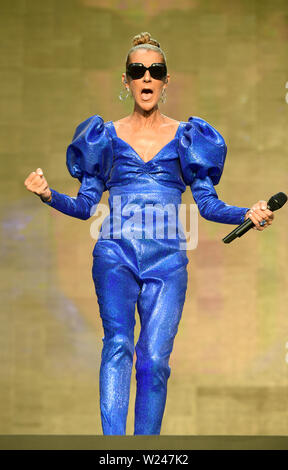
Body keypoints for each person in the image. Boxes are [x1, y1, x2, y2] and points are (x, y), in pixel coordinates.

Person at [24, 32, 274, 435]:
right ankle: (113, 449)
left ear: (165, 81)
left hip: (167, 260)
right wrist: (49, 195)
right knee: (118, 345)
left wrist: (248, 213)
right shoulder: (102, 136)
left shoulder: (189, 137)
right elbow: (86, 205)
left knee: (155, 360)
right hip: (115, 255)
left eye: (154, 71)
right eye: (137, 70)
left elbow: (208, 205)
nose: (146, 77)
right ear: (126, 81)